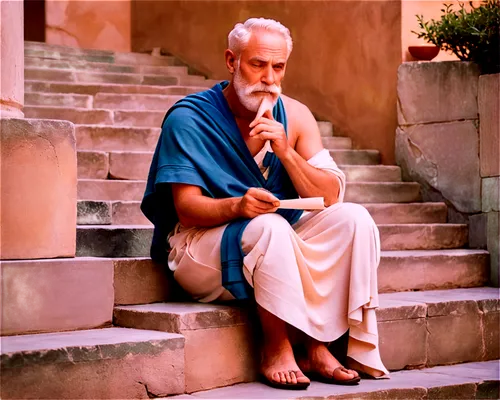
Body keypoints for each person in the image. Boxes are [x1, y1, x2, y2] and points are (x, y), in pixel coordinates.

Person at [141, 17, 389, 390]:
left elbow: (331, 196)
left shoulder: (296, 115)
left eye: (278, 66)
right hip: (199, 247)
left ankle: (318, 348)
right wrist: (237, 207)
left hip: (272, 242)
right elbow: (186, 209)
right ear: (232, 61)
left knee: (354, 218)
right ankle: (278, 346)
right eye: (258, 64)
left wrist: (286, 152)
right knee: (271, 227)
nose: (269, 78)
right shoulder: (189, 119)